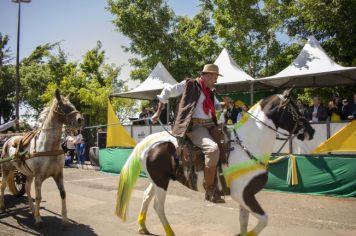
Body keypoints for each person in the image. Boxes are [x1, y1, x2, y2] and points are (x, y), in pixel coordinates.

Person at [152, 64, 225, 203]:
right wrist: (158, 112)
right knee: (213, 149)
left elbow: (214, 106)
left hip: (211, 125)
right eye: (215, 78)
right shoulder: (189, 84)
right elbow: (167, 90)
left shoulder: (209, 91)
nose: (216, 81)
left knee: (229, 140)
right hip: (195, 127)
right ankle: (210, 189)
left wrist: (224, 104)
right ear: (207, 75)